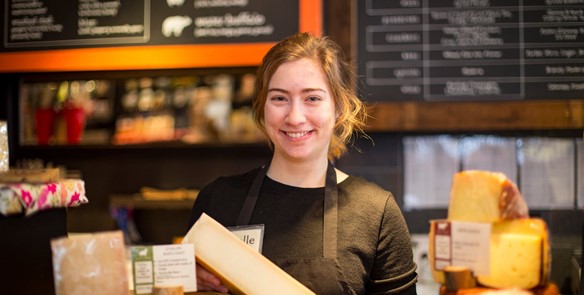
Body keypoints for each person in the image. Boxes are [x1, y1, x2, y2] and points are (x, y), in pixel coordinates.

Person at [186, 32, 418, 294]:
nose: (295, 118)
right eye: (279, 98)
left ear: (339, 108)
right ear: (262, 107)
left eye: (312, 98)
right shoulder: (217, 200)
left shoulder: (376, 212)